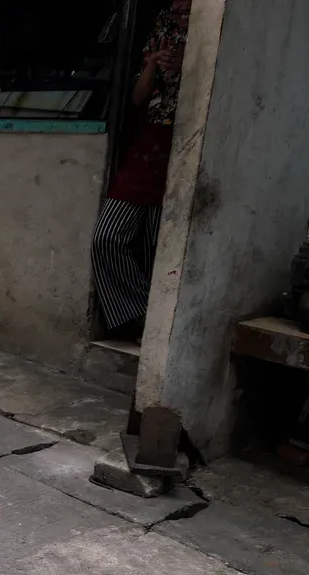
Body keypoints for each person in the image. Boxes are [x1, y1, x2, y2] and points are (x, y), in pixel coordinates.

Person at [90, 0, 191, 342]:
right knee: (107, 237)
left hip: (186, 144)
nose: (179, 6)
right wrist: (153, 64)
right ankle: (142, 315)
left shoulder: (213, 31)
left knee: (156, 247)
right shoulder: (164, 24)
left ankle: (155, 331)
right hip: (149, 142)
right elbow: (137, 96)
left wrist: (189, 65)